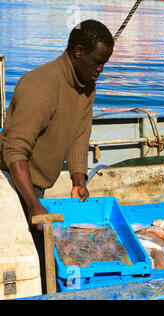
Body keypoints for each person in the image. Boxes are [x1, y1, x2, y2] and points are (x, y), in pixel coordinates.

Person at [0, 19, 114, 227]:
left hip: (39, 186)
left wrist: (78, 181)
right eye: (97, 62)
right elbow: (14, 149)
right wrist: (33, 204)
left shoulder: (87, 85)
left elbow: (79, 135)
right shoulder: (42, 86)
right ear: (78, 51)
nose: (101, 69)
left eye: (105, 63)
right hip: (13, 182)